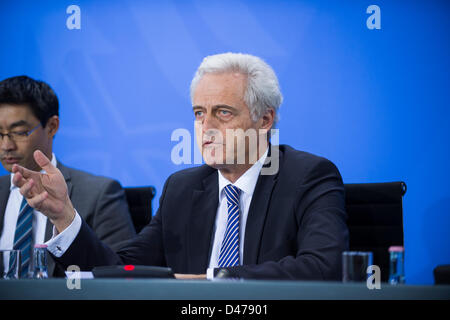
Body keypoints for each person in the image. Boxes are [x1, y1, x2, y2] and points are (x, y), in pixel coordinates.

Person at [12, 53, 349, 280]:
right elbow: (119, 269)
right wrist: (64, 217)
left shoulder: (308, 177)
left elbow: (325, 266)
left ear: (264, 120)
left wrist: (219, 279)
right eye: (199, 113)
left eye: (223, 112)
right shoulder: (184, 188)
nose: (207, 127)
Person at [0, 76, 136, 277]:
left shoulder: (99, 194)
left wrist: (65, 218)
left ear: (52, 126)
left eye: (19, 132)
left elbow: (122, 277)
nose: (6, 146)